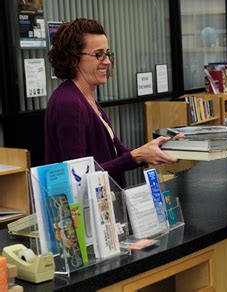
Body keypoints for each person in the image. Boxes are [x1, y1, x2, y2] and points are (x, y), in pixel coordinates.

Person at [46, 18, 177, 187]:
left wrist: (160, 148)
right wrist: (136, 156)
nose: (107, 61)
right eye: (99, 54)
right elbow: (78, 176)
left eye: (107, 53)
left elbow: (118, 153)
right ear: (73, 58)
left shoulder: (85, 97)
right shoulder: (69, 103)